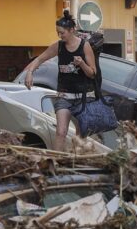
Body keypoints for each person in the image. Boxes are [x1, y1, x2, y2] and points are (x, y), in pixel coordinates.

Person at [23, 10, 97, 151]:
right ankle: (56, 163)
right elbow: (39, 58)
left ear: (71, 30)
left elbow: (93, 73)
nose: (60, 35)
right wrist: (30, 72)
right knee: (60, 132)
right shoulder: (59, 46)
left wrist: (82, 64)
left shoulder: (84, 46)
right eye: (58, 33)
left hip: (84, 97)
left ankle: (76, 165)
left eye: (62, 32)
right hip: (64, 96)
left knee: (80, 136)